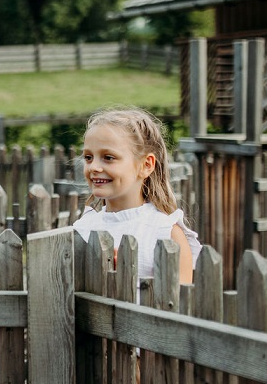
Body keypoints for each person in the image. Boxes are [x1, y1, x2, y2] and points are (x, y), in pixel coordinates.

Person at [71, 106, 200, 282]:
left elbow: (181, 303)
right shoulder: (83, 228)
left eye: (108, 157)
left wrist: (124, 275)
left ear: (146, 165)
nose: (93, 167)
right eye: (88, 157)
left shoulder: (165, 233)